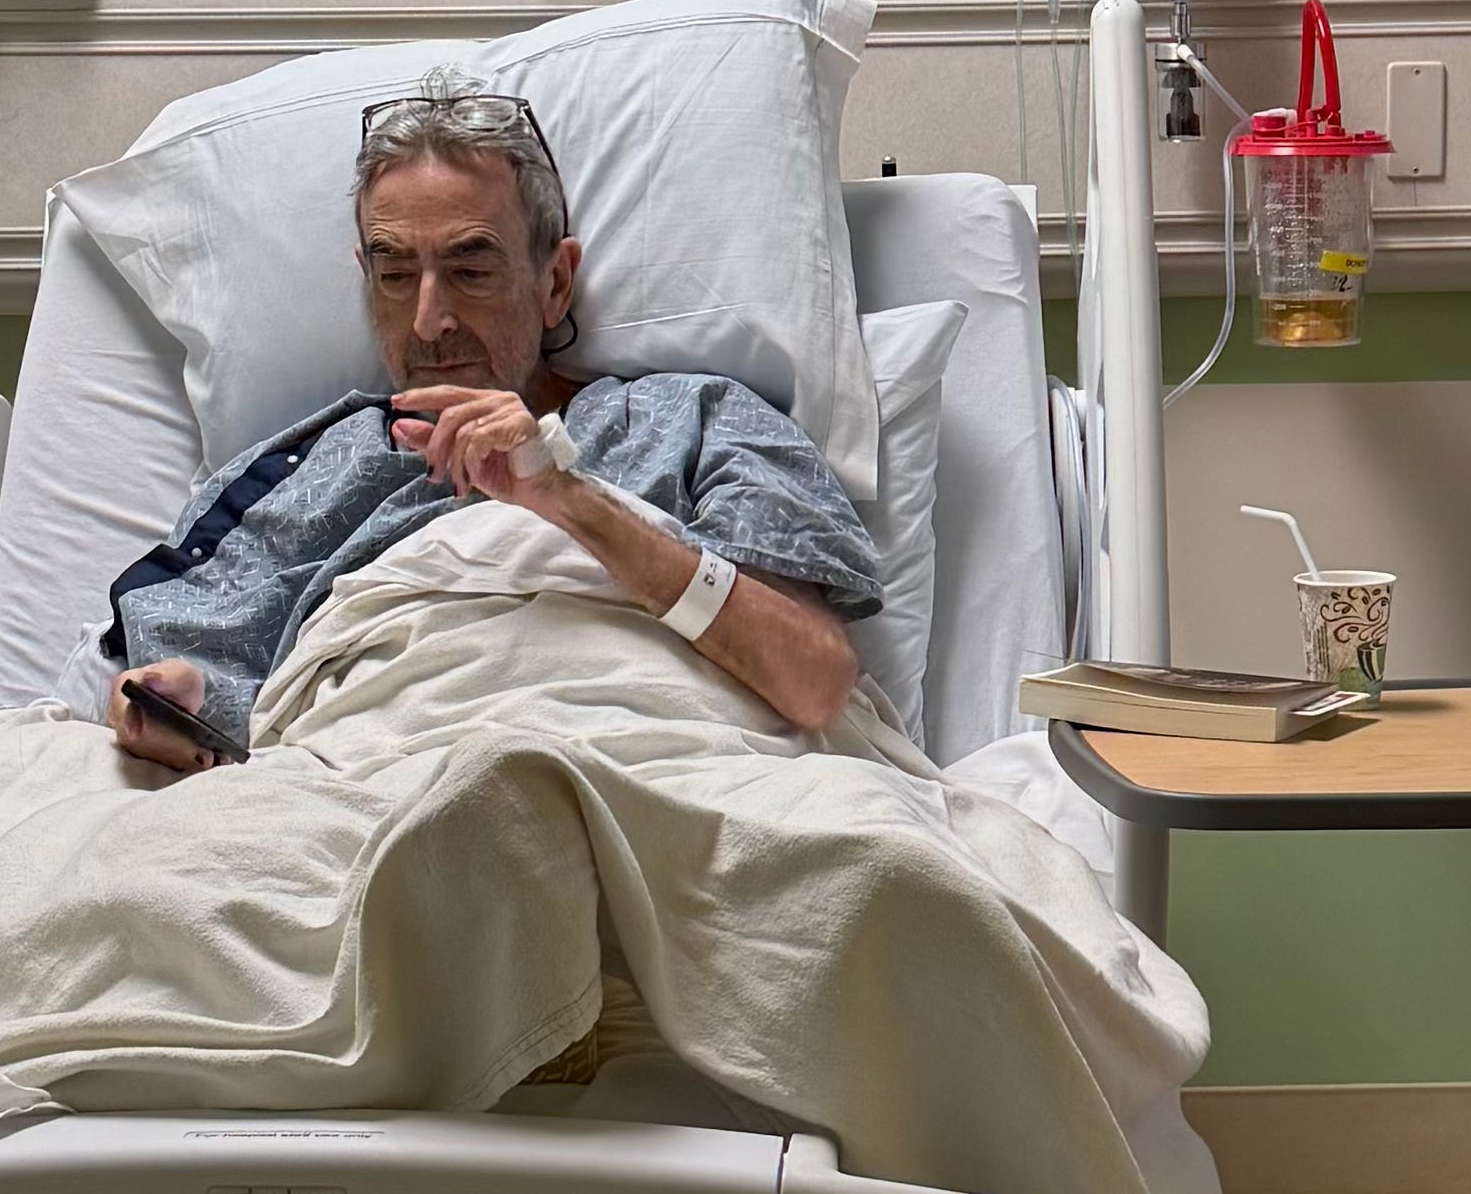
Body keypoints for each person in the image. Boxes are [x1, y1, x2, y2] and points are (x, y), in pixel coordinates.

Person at [61, 81, 875, 771]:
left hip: (642, 764)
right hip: (372, 786)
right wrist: (185, 703)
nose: (429, 322)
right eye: (394, 274)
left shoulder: (693, 420)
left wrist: (567, 499)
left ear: (554, 282)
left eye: (470, 270)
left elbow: (812, 683)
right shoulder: (302, 470)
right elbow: (226, 701)